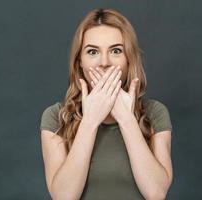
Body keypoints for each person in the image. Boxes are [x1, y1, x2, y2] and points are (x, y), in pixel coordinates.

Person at [40, 8, 173, 200]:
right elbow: (63, 196)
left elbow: (156, 193)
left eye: (116, 51)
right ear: (80, 62)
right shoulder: (55, 116)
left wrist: (127, 120)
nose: (104, 62)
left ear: (129, 60)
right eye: (93, 52)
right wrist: (90, 121)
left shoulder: (155, 113)